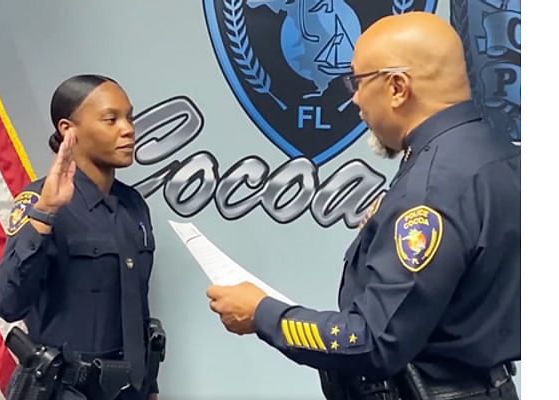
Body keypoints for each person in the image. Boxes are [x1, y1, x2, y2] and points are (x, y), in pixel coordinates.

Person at [206, 12, 520, 400]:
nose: (353, 97)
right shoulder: (500, 157)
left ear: (398, 88)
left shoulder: (430, 188)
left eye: (357, 80)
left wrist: (262, 314)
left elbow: (372, 341)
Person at [0, 75, 161, 400]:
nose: (127, 129)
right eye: (111, 119)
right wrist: (45, 214)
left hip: (129, 391)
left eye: (129, 117)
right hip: (64, 391)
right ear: (68, 130)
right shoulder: (40, 201)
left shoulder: (133, 205)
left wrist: (149, 387)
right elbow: (8, 302)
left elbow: (135, 306)